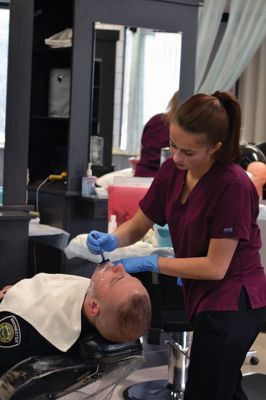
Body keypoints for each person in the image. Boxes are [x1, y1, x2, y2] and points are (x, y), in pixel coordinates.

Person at [87, 91, 266, 400]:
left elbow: (215, 266)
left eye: (188, 152)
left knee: (207, 390)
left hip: (234, 302)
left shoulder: (233, 185)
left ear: (215, 148)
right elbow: (142, 222)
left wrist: (152, 263)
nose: (177, 158)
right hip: (203, 297)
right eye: (173, 146)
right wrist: (114, 239)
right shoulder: (173, 172)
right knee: (225, 388)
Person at [0, 262, 151, 375]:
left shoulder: (30, 321)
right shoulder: (94, 300)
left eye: (116, 280)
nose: (120, 267)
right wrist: (19, 291)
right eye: (132, 277)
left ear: (93, 307)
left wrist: (13, 300)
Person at [134, 91, 179, 177]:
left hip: (141, 176)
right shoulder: (182, 128)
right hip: (164, 179)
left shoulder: (155, 120)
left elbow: (143, 148)